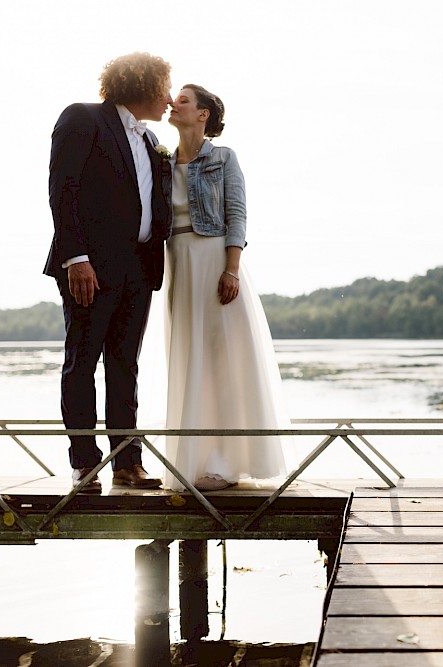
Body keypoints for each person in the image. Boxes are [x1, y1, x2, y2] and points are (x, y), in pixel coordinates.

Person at [44, 53, 173, 493]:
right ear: (145, 84)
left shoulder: (152, 138)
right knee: (82, 363)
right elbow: (63, 189)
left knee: (125, 366)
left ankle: (127, 463)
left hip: (138, 270)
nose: (170, 98)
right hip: (89, 270)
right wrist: (75, 258)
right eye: (165, 87)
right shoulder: (82, 118)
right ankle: (84, 461)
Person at [162, 84, 288, 491]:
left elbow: (238, 214)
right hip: (179, 263)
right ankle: (193, 459)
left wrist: (231, 269)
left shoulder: (223, 157)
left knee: (223, 363)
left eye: (183, 99)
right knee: (189, 359)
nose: (172, 102)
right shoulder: (159, 161)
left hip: (216, 261)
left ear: (202, 114)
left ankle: (225, 463)